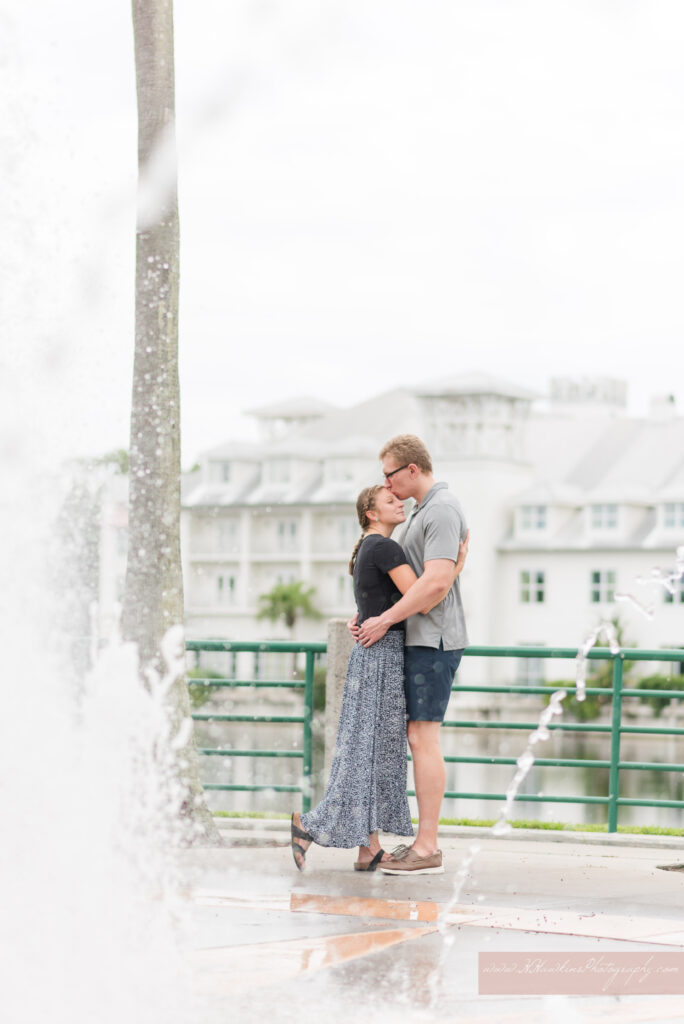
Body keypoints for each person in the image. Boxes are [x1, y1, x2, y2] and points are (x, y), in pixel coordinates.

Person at [290, 483, 466, 872]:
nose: (399, 502)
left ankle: (368, 849)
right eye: (389, 501)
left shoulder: (367, 548)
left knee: (371, 751)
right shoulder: (385, 548)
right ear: (371, 513)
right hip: (384, 658)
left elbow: (380, 601)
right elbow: (424, 596)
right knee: (374, 752)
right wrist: (457, 562)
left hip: (371, 656)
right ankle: (311, 826)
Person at [357, 434, 469, 876]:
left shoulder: (439, 509)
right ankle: (421, 844)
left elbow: (436, 584)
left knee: (424, 738)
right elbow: (422, 580)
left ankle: (426, 847)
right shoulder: (424, 511)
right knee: (417, 738)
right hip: (420, 637)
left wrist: (384, 621)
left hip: (434, 639)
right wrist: (371, 614)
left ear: (412, 470)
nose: (385, 482)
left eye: (389, 474)